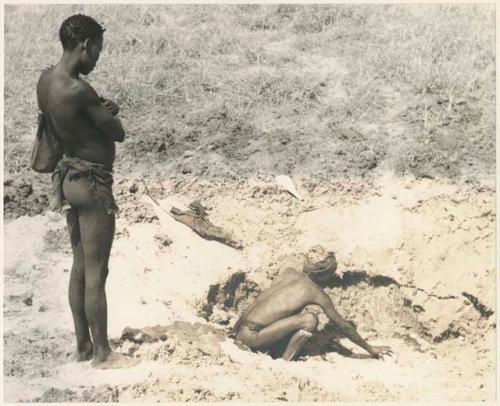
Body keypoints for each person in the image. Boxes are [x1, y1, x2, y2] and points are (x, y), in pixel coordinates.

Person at [36, 14, 134, 368]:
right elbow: (117, 132)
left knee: (79, 267)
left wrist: (98, 111)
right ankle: (103, 354)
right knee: (97, 272)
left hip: (68, 181)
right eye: (98, 50)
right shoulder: (80, 89)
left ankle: (82, 347)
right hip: (92, 185)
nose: (98, 58)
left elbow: (69, 120)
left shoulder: (46, 80)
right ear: (85, 46)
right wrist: (112, 112)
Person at [233, 246, 393, 361]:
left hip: (238, 330)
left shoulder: (288, 272)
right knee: (310, 319)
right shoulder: (314, 291)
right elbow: (343, 325)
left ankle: (272, 348)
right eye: (330, 276)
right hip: (251, 337)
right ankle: (285, 362)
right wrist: (369, 348)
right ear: (322, 276)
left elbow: (273, 309)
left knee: (294, 314)